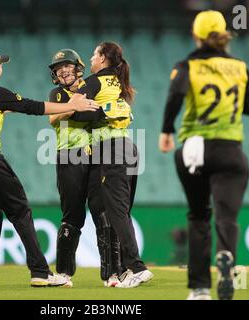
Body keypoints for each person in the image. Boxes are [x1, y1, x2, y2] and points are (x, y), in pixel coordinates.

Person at [0, 48, 99, 288]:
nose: (2, 67)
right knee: (20, 211)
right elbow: (33, 107)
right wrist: (73, 105)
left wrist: (7, 107)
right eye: (0, 64)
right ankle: (40, 272)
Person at [158, 11, 249, 300]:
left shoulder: (187, 65)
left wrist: (166, 129)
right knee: (227, 217)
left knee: (199, 215)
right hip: (231, 151)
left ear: (196, 35)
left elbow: (175, 96)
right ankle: (226, 258)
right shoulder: (240, 67)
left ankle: (200, 288)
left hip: (195, 148)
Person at [69, 42, 154, 288]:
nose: (91, 59)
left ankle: (137, 268)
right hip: (129, 148)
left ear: (104, 58)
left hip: (110, 150)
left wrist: (86, 107)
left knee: (115, 212)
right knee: (122, 211)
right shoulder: (118, 82)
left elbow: (75, 110)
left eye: (94, 54)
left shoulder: (93, 82)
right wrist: (104, 111)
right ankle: (127, 268)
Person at [47, 48, 123, 288]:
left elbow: (109, 111)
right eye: (59, 69)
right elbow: (52, 118)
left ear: (78, 68)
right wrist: (76, 106)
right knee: (72, 215)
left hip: (97, 157)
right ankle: (63, 273)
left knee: (102, 212)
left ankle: (112, 274)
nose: (63, 72)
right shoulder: (57, 94)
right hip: (69, 157)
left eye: (67, 67)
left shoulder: (91, 88)